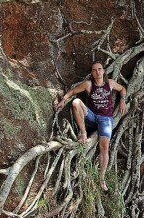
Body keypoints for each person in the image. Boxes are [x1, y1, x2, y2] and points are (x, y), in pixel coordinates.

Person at [54, 61, 127, 191]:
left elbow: (122, 89)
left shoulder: (109, 83)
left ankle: (101, 179)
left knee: (104, 146)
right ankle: (83, 133)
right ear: (92, 73)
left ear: (103, 71)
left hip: (106, 120)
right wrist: (64, 100)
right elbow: (72, 92)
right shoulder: (88, 85)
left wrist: (122, 100)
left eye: (99, 69)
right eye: (94, 70)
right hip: (92, 117)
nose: (97, 72)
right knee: (76, 102)